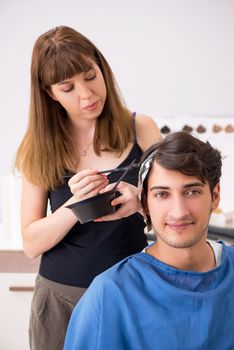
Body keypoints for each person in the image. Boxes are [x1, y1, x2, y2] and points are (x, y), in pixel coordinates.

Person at [14, 25, 161, 350]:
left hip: (132, 289)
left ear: (102, 68)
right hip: (61, 298)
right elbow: (31, 243)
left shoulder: (142, 128)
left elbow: (171, 210)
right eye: (67, 87)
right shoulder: (39, 147)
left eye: (91, 76)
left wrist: (139, 201)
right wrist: (75, 204)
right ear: (50, 93)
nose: (87, 94)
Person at [64, 131, 234, 350]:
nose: (179, 212)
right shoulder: (111, 293)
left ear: (215, 195)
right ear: (144, 203)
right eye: (162, 194)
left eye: (192, 191)